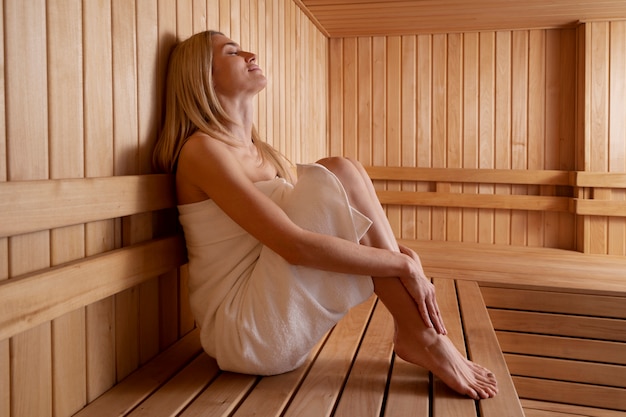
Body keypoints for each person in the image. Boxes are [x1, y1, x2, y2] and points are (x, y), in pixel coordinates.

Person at [153, 30, 498, 400]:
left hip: (277, 324)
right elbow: (294, 247)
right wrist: (401, 266)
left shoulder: (262, 154)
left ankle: (424, 336)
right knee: (338, 169)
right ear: (203, 76)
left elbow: (322, 229)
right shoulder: (201, 151)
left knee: (344, 169)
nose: (250, 53)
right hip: (246, 332)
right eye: (233, 52)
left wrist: (399, 255)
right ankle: (425, 337)